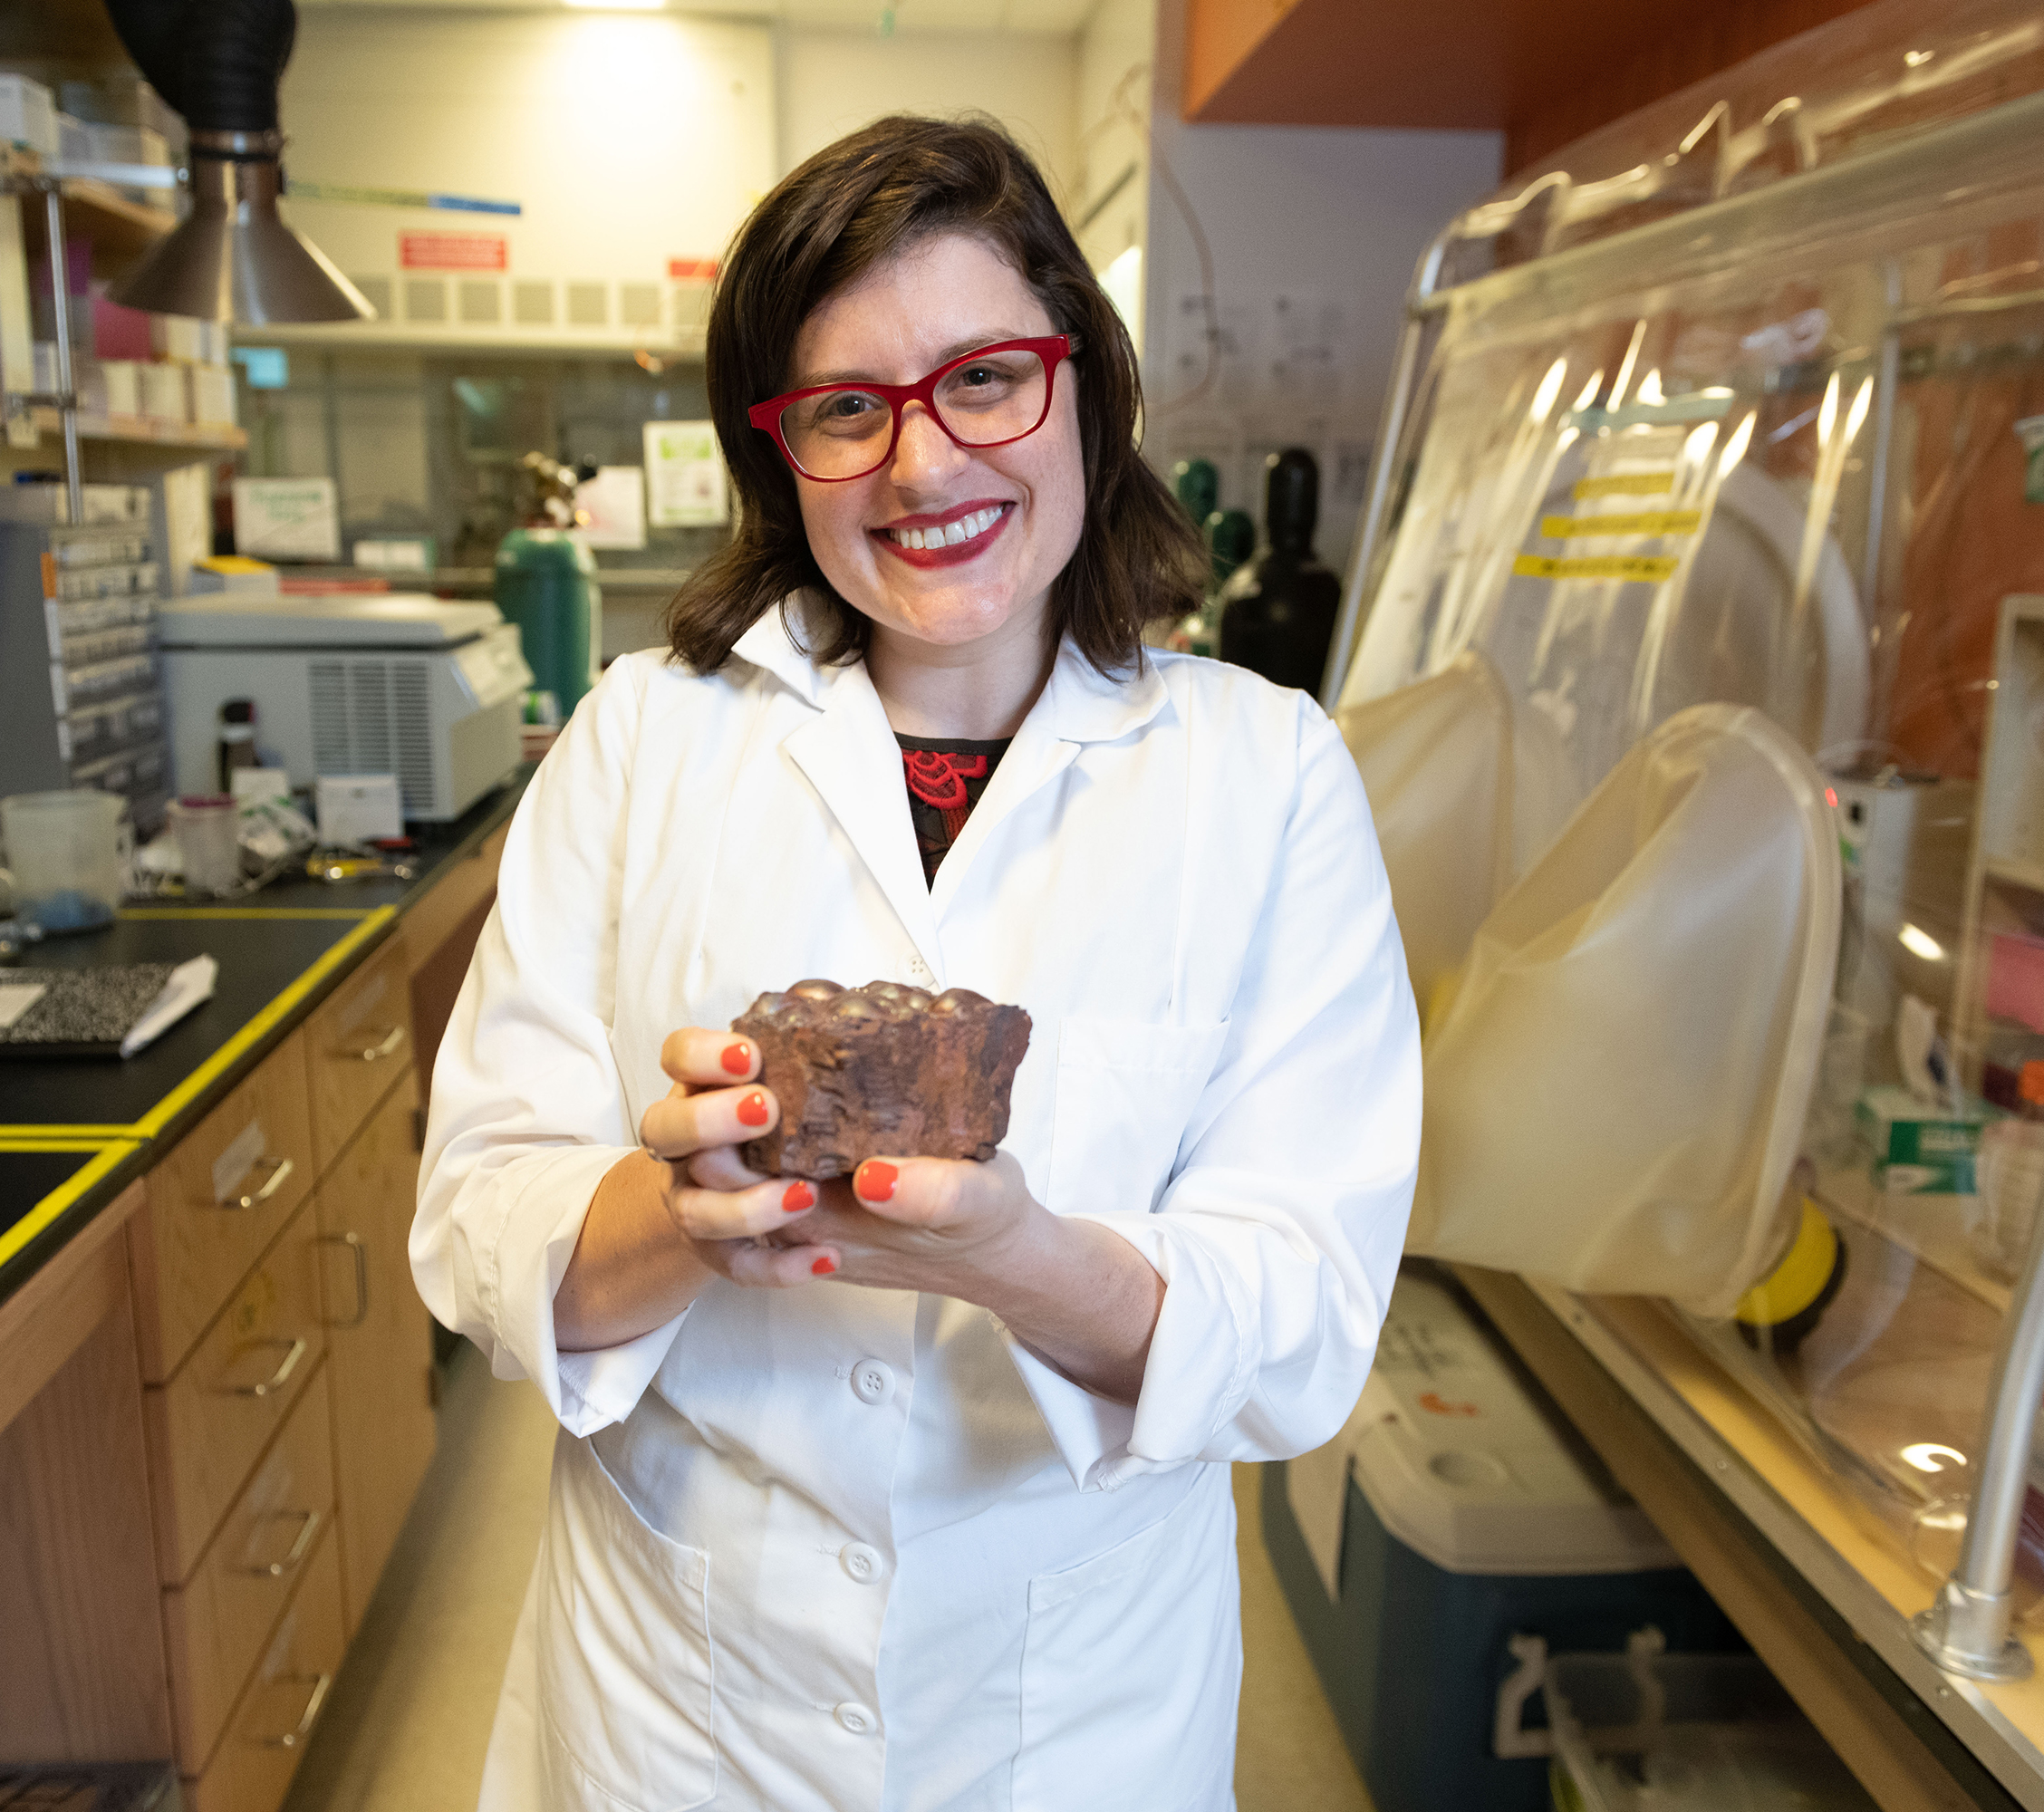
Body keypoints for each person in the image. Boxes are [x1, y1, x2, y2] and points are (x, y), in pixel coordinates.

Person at [414, 113, 1421, 1812]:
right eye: (845, 408)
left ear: (1084, 390)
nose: (924, 465)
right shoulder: (641, 742)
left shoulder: (1267, 779)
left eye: (984, 380)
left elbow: (1304, 1327)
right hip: (682, 1712)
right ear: (781, 452)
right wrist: (682, 1219)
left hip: (1071, 1716)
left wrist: (1020, 1257)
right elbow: (473, 1224)